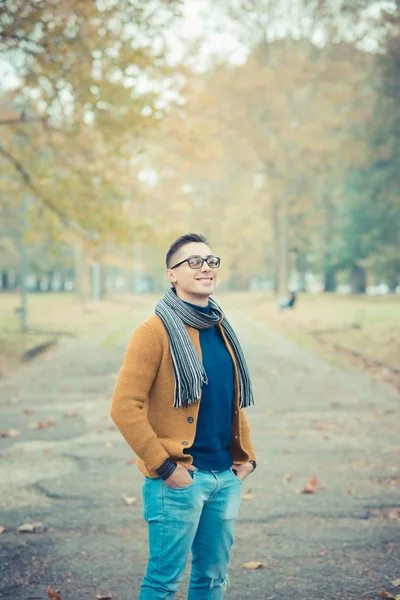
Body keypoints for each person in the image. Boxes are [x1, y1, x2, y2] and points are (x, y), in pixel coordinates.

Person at [110, 232, 257, 600]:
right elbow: (124, 406)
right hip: (178, 479)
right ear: (171, 274)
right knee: (163, 583)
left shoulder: (221, 327)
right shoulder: (153, 333)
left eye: (210, 261)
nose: (205, 267)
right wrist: (164, 468)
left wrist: (247, 458)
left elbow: (231, 401)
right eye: (193, 261)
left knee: (211, 579)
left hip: (224, 476)